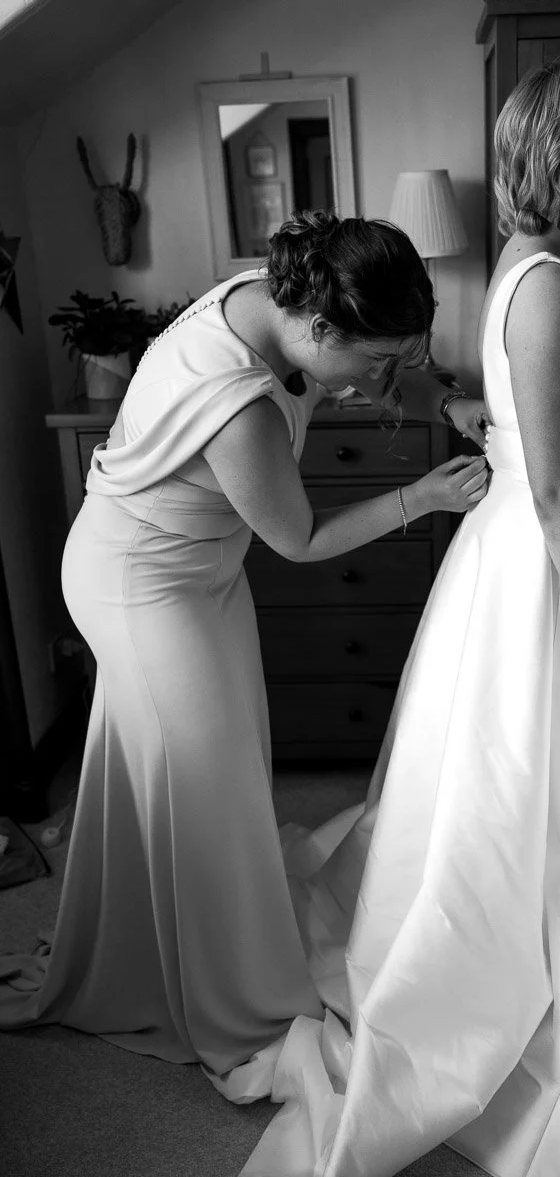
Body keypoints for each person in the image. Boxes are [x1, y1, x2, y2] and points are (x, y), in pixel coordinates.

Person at [232, 56, 560, 1177]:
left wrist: (464, 404)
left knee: (535, 794)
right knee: (551, 786)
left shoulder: (530, 262)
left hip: (547, 552)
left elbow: (519, 423)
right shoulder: (547, 283)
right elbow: (556, 486)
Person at [0, 211, 491, 1074]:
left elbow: (374, 370)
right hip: (141, 586)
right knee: (204, 788)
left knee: (197, 775)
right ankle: (229, 997)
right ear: (321, 327)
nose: (373, 381)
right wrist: (423, 499)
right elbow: (300, 541)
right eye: (372, 361)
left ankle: (140, 947)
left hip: (199, 573)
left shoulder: (269, 299)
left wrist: (443, 398)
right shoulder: (243, 406)